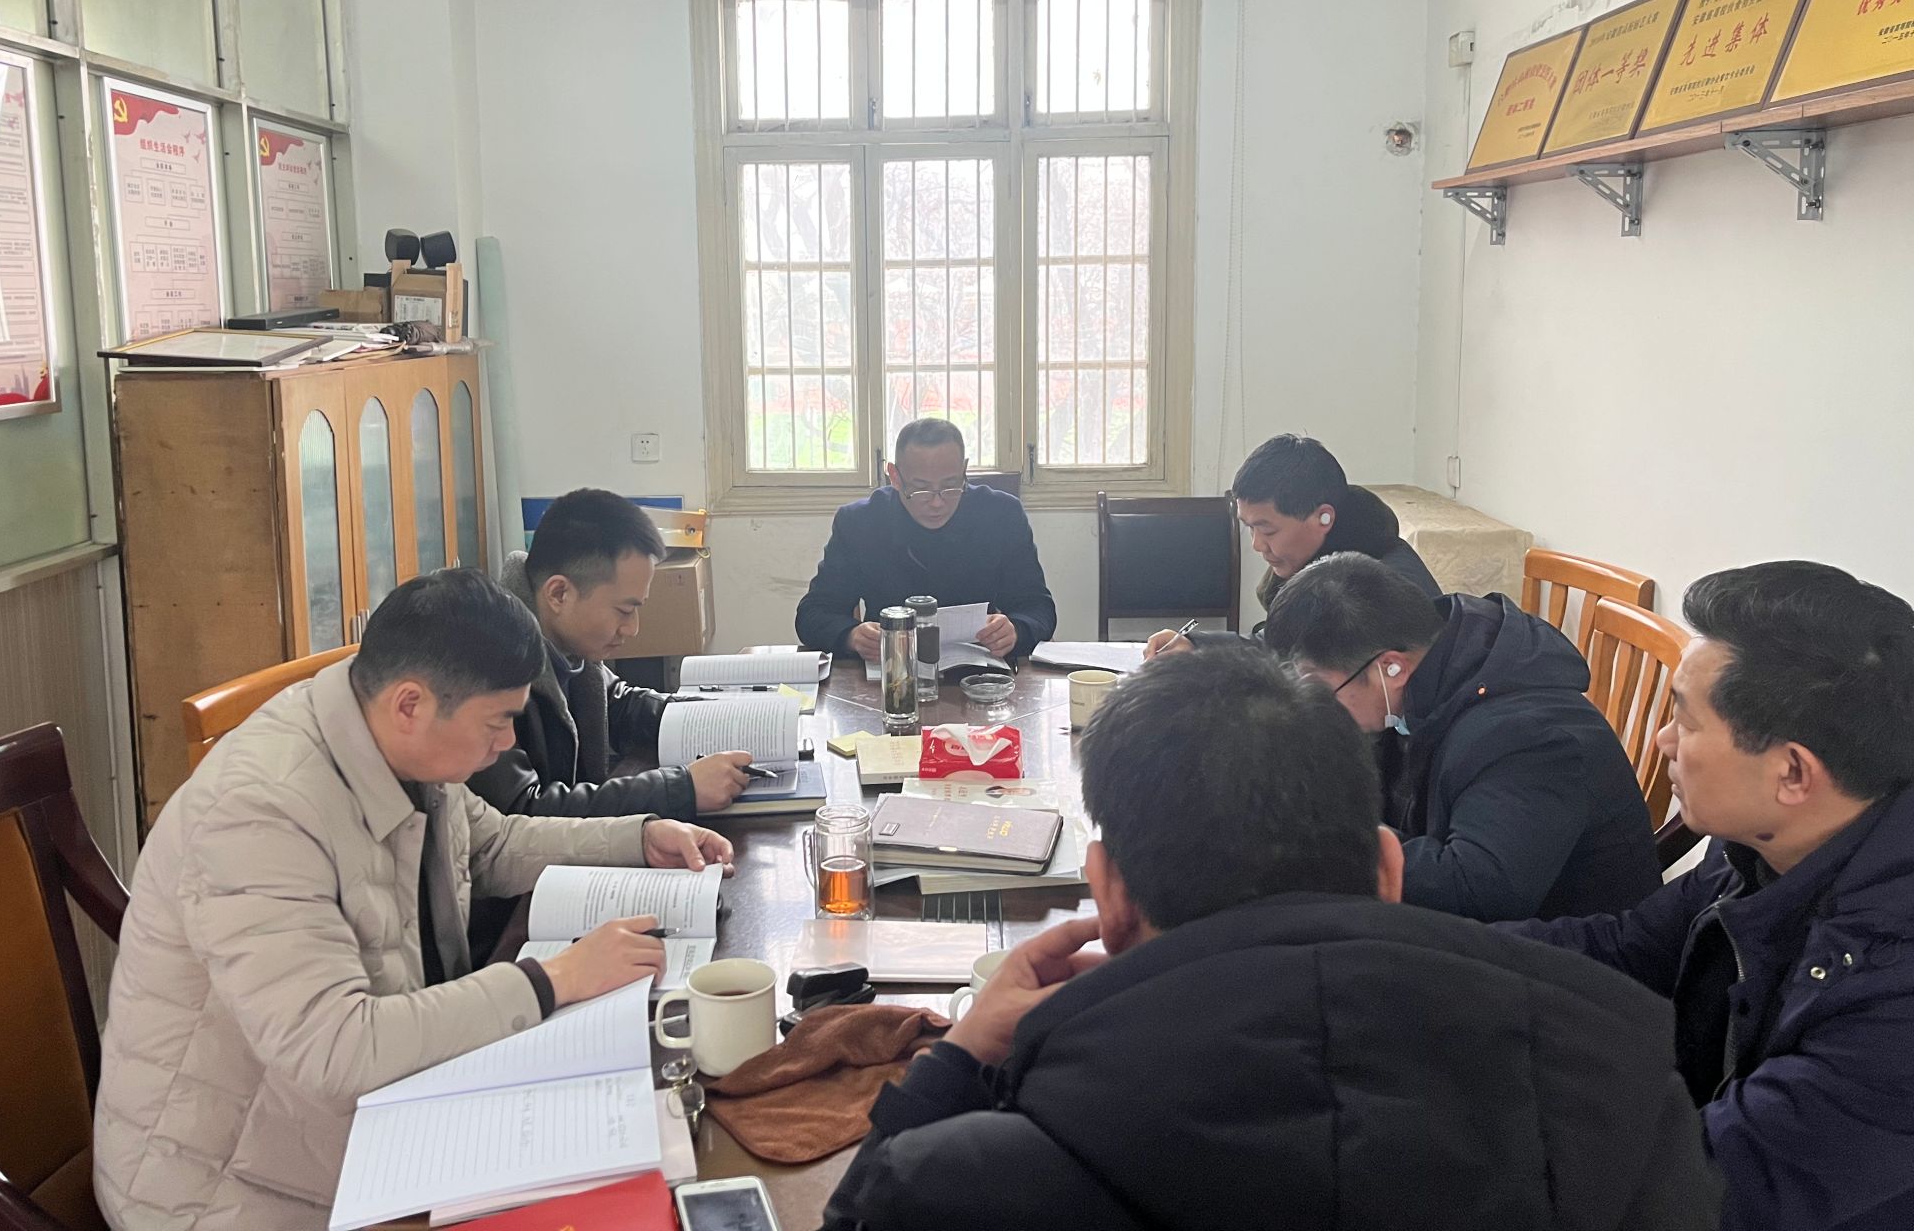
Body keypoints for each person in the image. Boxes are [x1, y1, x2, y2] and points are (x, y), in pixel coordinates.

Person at [820, 645, 1723, 1231]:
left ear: (1110, 895)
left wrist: (958, 1060)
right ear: (1388, 871)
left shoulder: (967, 1181)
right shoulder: (1624, 1099)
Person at [93, 569, 734, 1231]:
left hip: (362, 1125)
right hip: (232, 1190)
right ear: (410, 704)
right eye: (498, 721)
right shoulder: (261, 811)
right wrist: (553, 981)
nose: (507, 744)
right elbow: (335, 1049)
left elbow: (492, 844)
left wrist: (638, 837)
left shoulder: (390, 737)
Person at [1508, 562, 1914, 1231]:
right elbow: (1627, 950)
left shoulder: (1893, 999)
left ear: (1792, 772)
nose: (1662, 740)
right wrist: (1416, 955)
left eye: (1685, 719)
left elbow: (1705, 1186)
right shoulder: (1753, 846)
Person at [1262, 552, 1658, 921]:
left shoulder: (1527, 738)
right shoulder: (1434, 668)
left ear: (1391, 668)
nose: (1317, 707)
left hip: (1567, 952)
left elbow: (1477, 891)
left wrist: (1326, 844)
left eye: (1318, 688)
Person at [473, 488, 751, 822]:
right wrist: (682, 788)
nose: (633, 628)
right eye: (624, 610)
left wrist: (725, 717)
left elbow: (620, 705)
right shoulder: (485, 668)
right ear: (559, 594)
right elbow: (523, 812)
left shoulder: (565, 642)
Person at [1145, 432, 1436, 657]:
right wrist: (1195, 647)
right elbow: (1279, 647)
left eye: (1267, 530)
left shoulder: (1377, 593)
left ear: (1323, 517)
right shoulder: (1330, 560)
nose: (1257, 545)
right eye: (1250, 528)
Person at [795, 418, 1056, 663]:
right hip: (891, 672)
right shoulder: (860, 522)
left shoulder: (1001, 515)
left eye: (951, 485)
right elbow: (813, 614)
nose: (937, 502)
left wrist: (1016, 630)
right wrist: (851, 637)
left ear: (964, 470)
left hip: (980, 676)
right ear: (895, 476)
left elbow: (1038, 607)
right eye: (921, 488)